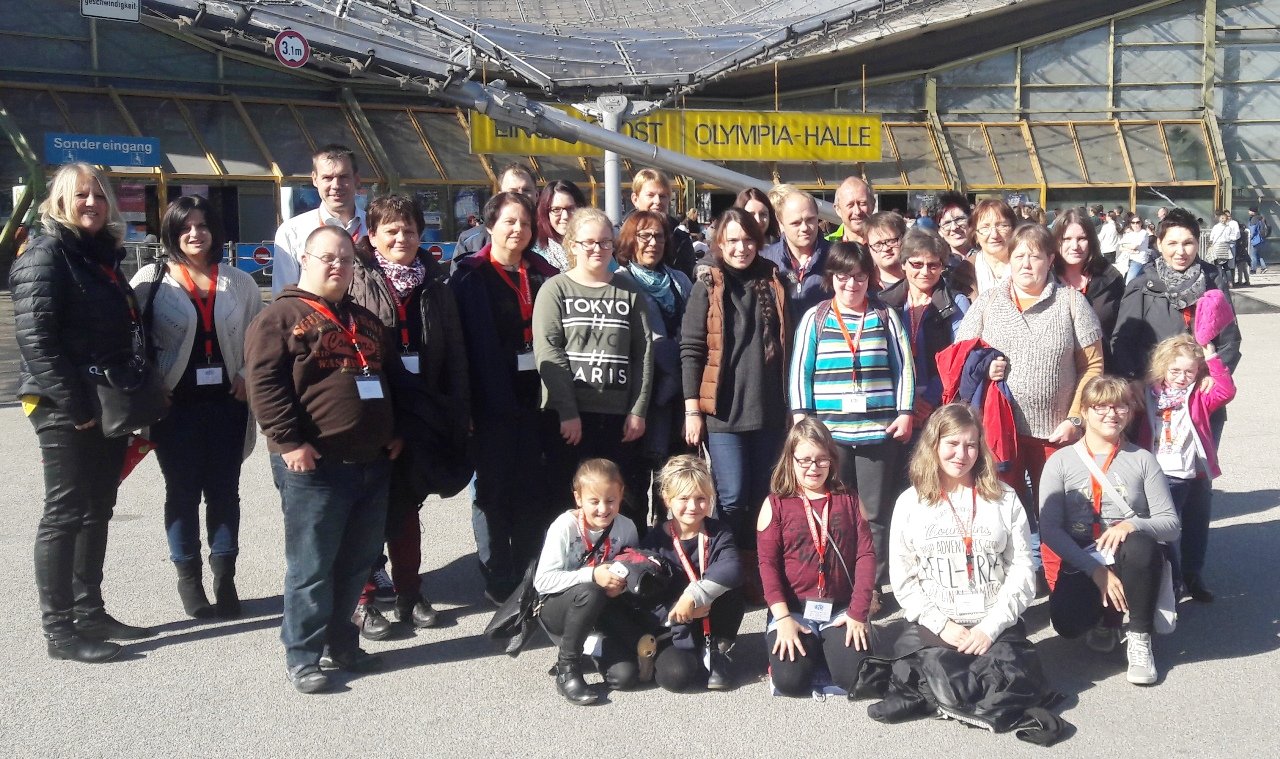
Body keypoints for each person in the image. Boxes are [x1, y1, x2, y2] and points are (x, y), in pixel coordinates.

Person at [245, 225, 405, 693]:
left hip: (371, 462)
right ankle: (302, 656)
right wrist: (288, 441)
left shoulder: (365, 319)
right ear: (305, 260)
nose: (338, 266)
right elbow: (264, 384)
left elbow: (390, 379)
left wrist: (395, 431)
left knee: (356, 563)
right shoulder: (279, 317)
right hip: (314, 466)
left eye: (347, 259)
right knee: (312, 567)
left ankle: (343, 644)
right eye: (328, 258)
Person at [12, 162, 156, 663]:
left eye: (98, 194)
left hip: (103, 399)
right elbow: (36, 339)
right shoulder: (46, 254)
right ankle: (60, 632)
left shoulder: (100, 255)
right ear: (59, 202)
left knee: (98, 508)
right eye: (80, 195)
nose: (91, 203)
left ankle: (89, 611)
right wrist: (75, 407)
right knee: (65, 512)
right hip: (63, 403)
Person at [129, 196, 263, 620]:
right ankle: (189, 579)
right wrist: (151, 386)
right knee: (182, 492)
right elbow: (131, 341)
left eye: (202, 225)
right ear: (171, 231)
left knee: (225, 492)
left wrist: (246, 373)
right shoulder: (150, 279)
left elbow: (259, 337)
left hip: (228, 404)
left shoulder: (240, 282)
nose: (195, 233)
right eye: (185, 226)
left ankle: (225, 577)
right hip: (175, 408)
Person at [347, 194, 470, 635]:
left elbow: (454, 351)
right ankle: (362, 599)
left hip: (421, 409)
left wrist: (459, 412)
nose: (402, 238)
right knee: (364, 510)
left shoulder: (436, 282)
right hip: (372, 411)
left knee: (405, 506)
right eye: (392, 230)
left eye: (410, 230)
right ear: (373, 235)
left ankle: (409, 593)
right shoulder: (355, 278)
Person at [874, 404, 1043, 724]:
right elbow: (904, 579)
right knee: (926, 672)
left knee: (1010, 678)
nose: (962, 454)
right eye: (952, 443)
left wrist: (990, 627)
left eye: (971, 445)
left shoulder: (1004, 497)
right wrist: (943, 626)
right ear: (934, 445)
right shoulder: (910, 503)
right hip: (940, 622)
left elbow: (1023, 568)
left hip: (991, 620)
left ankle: (951, 701)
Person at [789, 241, 915, 610]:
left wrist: (905, 412)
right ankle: (833, 580)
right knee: (833, 510)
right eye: (844, 276)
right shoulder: (816, 318)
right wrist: (802, 419)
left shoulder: (885, 316)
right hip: (830, 438)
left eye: (859, 276)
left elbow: (904, 367)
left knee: (873, 514)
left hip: (878, 433)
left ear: (869, 278)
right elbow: (800, 370)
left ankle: (870, 586)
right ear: (831, 278)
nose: (852, 284)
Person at [450, 191, 560, 604]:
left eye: (525, 223)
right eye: (510, 222)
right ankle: (498, 574)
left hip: (538, 401)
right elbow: (458, 348)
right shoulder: (469, 277)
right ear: (489, 226)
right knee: (493, 492)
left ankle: (530, 575)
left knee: (533, 489)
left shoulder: (544, 275)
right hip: (490, 401)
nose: (518, 229)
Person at [955, 223, 1104, 526]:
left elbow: (1093, 365)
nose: (1026, 264)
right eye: (1019, 256)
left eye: (1034, 256)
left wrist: (1076, 419)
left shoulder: (1072, 302)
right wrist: (984, 367)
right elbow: (959, 358)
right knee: (1001, 513)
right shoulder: (988, 302)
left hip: (1055, 434)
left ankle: (1053, 560)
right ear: (1009, 260)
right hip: (999, 432)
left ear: (1050, 260)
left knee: (1057, 517)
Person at [1039, 377, 1180, 686]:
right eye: (1101, 407)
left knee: (1141, 545)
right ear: (1085, 412)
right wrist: (1094, 570)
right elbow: (1049, 529)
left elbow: (1170, 524)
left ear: (1130, 411)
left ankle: (1140, 636)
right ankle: (1106, 619)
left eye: (1120, 406)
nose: (1112, 414)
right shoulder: (1061, 461)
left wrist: (1133, 524)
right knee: (1068, 624)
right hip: (1084, 555)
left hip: (1129, 553)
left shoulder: (1142, 459)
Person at [533, 208, 653, 521]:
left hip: (619, 417)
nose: (597, 249)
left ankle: (627, 553)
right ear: (572, 245)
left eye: (605, 242)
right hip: (570, 417)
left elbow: (643, 353)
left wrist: (638, 410)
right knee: (568, 504)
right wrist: (568, 411)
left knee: (625, 503)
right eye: (588, 242)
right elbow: (549, 351)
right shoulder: (555, 289)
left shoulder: (629, 290)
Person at [681, 208, 789, 553]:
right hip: (724, 412)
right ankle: (728, 562)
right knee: (732, 496)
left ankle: (759, 566)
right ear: (720, 243)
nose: (741, 248)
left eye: (747, 240)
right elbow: (692, 349)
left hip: (769, 410)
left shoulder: (774, 281)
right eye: (732, 241)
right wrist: (692, 411)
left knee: (764, 495)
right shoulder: (709, 284)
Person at [758, 418, 876, 697]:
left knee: (854, 677)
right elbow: (767, 565)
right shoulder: (776, 503)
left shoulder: (849, 499)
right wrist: (783, 617)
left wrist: (858, 612)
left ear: (832, 460)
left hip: (840, 608)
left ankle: (829, 646)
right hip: (794, 609)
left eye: (822, 459)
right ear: (791, 460)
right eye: (805, 460)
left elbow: (866, 555)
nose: (813, 467)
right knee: (790, 681)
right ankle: (811, 647)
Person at [1111, 207, 1243, 446]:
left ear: (1197, 244)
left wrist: (1213, 374)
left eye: (1188, 243)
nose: (1180, 252)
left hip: (1200, 398)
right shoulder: (1142, 285)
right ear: (1159, 244)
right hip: (1153, 399)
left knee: (1200, 467)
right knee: (1152, 467)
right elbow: (1123, 341)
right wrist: (1133, 379)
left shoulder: (1213, 281)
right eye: (1172, 243)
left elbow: (1230, 339)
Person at [533, 459, 649, 705]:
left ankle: (589, 645)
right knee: (591, 591)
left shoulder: (627, 527)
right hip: (558, 608)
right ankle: (567, 668)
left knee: (625, 677)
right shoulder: (564, 527)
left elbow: (632, 568)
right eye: (594, 501)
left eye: (610, 500)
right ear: (579, 498)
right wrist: (593, 575)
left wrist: (622, 588)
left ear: (621, 495)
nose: (603, 509)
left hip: (603, 611)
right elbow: (542, 582)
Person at [1134, 335, 1236, 603]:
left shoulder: (1199, 394)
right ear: (1162, 367)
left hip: (1193, 471)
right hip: (1160, 472)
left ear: (1198, 370)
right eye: (1175, 371)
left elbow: (1226, 392)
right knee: (1166, 531)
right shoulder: (1149, 393)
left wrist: (1212, 360)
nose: (1181, 377)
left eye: (1189, 371)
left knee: (1195, 524)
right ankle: (1174, 580)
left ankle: (1193, 575)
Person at [613, 211, 693, 527]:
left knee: (673, 479)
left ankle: (667, 539)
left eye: (658, 236)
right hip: (639, 395)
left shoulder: (680, 279)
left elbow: (694, 329)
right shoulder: (620, 280)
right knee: (635, 480)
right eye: (644, 235)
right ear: (630, 240)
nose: (652, 242)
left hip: (678, 395)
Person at [640, 455, 743, 691]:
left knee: (731, 585)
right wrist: (682, 612)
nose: (693, 506)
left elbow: (732, 567)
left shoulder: (718, 531)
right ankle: (672, 654)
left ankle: (718, 649)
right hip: (674, 624)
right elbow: (645, 598)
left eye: (701, 498)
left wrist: (692, 595)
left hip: (711, 615)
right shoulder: (654, 541)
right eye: (684, 498)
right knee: (677, 677)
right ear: (667, 499)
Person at [877, 229, 970, 432]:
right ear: (903, 264)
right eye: (917, 264)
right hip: (894, 403)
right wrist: (906, 400)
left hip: (939, 405)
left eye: (933, 265)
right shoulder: (884, 303)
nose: (925, 271)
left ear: (942, 266)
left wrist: (927, 401)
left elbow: (957, 358)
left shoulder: (957, 302)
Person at [273, 144, 365, 296]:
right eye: (327, 178)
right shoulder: (291, 231)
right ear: (315, 179)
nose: (336, 185)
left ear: (356, 179)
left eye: (343, 177)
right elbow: (284, 296)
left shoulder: (376, 228)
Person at [1053, 208, 1125, 366]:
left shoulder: (1111, 279)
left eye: (1082, 238)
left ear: (1092, 241)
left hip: (1103, 370)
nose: (1075, 246)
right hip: (1057, 373)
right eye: (1066, 239)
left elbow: (1121, 334)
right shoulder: (1045, 280)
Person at [760, 190, 830, 327]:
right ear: (780, 223)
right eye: (796, 223)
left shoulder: (837, 258)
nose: (804, 228)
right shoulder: (764, 260)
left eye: (810, 219)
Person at [455, 162, 537, 259]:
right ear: (500, 196)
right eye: (513, 192)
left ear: (537, 195)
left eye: (526, 190)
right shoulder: (471, 241)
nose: (520, 195)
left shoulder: (550, 236)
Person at [630, 168, 697, 277]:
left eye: (662, 196)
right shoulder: (620, 235)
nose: (657, 201)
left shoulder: (680, 237)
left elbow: (688, 277)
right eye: (650, 195)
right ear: (635, 199)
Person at [532, 180, 586, 272]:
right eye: (556, 210)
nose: (565, 216)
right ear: (545, 213)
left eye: (571, 208)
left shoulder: (596, 246)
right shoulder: (535, 252)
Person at [930, 191, 978, 297]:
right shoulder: (936, 264)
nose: (954, 227)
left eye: (959, 219)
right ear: (939, 231)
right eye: (947, 223)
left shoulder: (986, 256)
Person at [968, 199, 1017, 294]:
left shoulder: (1028, 266)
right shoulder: (963, 272)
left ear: (1013, 230)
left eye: (1002, 226)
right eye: (985, 227)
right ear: (975, 235)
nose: (994, 235)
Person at [866, 211, 907, 291]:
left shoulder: (923, 280)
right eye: (877, 245)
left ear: (904, 238)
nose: (885, 248)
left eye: (891, 241)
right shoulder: (862, 288)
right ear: (869, 248)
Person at [827, 176, 874, 245]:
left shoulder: (886, 244)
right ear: (838, 209)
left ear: (873, 205)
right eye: (850, 205)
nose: (857, 211)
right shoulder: (826, 246)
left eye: (862, 203)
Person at [1118, 212, 1152, 283]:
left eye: (1137, 222)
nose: (1135, 225)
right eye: (1133, 223)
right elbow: (1120, 247)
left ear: (1141, 223)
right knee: (1122, 281)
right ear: (1131, 224)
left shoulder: (1143, 233)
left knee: (1129, 282)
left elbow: (1134, 246)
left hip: (1138, 261)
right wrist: (1129, 250)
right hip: (1127, 260)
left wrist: (1125, 245)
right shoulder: (1130, 234)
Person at [1246, 207, 1269, 274]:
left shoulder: (1254, 219)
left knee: (1253, 255)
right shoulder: (1261, 218)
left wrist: (1249, 238)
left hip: (1255, 240)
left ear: (1253, 212)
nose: (1248, 212)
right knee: (1259, 255)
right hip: (1261, 239)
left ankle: (1253, 269)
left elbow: (1252, 231)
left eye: (1249, 211)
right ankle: (1264, 267)